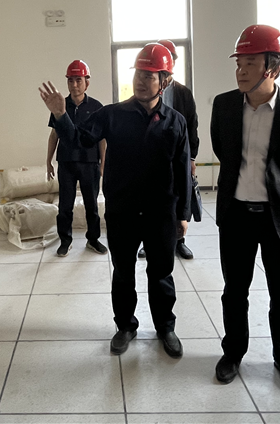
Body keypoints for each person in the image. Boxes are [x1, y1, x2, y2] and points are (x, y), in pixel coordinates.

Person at [39, 43, 191, 358]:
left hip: (161, 212)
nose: (141, 81)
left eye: (149, 76)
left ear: (164, 81)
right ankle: (125, 326)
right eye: (138, 74)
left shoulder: (175, 121)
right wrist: (60, 114)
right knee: (123, 273)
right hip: (123, 211)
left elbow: (182, 170)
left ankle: (166, 327)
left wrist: (183, 214)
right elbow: (78, 139)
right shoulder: (112, 115)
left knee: (161, 274)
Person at [210, 24, 280, 397]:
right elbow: (223, 151)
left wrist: (278, 188)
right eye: (238, 63)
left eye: (250, 63)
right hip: (237, 215)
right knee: (234, 291)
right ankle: (233, 353)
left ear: (273, 67)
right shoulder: (224, 106)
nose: (241, 71)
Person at [138, 39, 199, 260]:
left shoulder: (183, 93)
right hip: (152, 155)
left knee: (179, 196)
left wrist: (192, 157)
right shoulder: (146, 90)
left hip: (177, 154)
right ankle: (149, 242)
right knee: (151, 201)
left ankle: (179, 241)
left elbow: (191, 126)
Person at [46, 60, 107, 257]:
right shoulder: (59, 106)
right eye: (70, 80)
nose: (74, 85)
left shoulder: (97, 107)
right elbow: (54, 135)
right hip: (66, 163)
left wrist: (103, 164)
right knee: (65, 206)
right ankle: (65, 240)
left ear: (86, 82)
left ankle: (93, 239)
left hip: (90, 163)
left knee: (92, 205)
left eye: (78, 80)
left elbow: (102, 140)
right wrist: (48, 161)